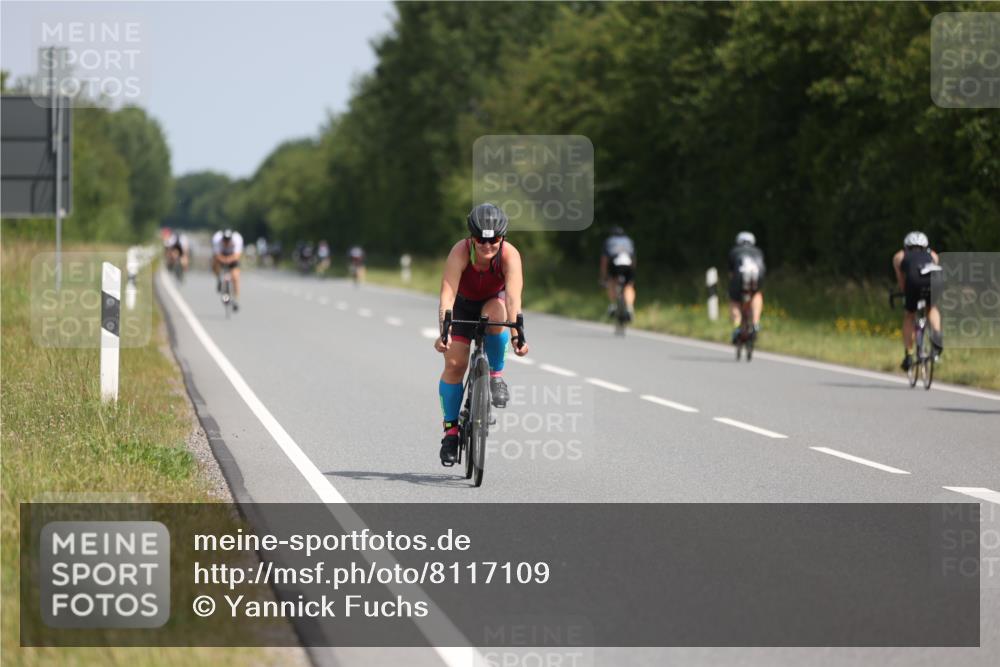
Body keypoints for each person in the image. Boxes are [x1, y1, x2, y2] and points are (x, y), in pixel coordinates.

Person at [434, 203, 530, 465]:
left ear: (503, 237)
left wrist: (517, 336)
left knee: (496, 315)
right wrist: (444, 331)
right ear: (472, 238)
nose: (488, 246)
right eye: (481, 240)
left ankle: (496, 375)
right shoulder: (460, 252)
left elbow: (513, 298)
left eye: (495, 240)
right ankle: (451, 432)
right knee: (455, 364)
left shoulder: (510, 255)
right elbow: (447, 295)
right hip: (462, 304)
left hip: (492, 301)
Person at [892, 231, 943, 371]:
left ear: (906, 246)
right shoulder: (933, 255)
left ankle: (909, 355)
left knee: (909, 315)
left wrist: (905, 294)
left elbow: (902, 282)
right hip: (934, 281)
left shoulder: (899, 256)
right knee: (932, 308)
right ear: (925, 245)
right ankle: (937, 337)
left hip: (913, 282)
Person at [728, 231, 766, 344]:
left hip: (740, 277)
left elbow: (731, 274)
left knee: (734, 300)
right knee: (756, 294)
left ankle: (737, 326)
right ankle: (755, 323)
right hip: (756, 277)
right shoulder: (758, 251)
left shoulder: (734, 251)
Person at [599, 225, 636, 320]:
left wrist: (604, 277)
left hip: (615, 263)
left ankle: (613, 305)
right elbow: (633, 259)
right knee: (629, 286)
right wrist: (632, 274)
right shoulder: (628, 241)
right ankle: (630, 308)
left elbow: (604, 260)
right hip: (628, 264)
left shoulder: (609, 241)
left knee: (612, 282)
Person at [211, 228, 244, 311]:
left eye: (228, 241)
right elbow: (216, 255)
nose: (226, 242)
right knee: (215, 264)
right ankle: (218, 278)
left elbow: (237, 256)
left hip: (232, 257)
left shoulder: (237, 239)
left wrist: (228, 260)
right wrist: (223, 260)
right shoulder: (216, 239)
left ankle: (236, 300)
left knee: (235, 277)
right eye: (224, 240)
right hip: (221, 256)